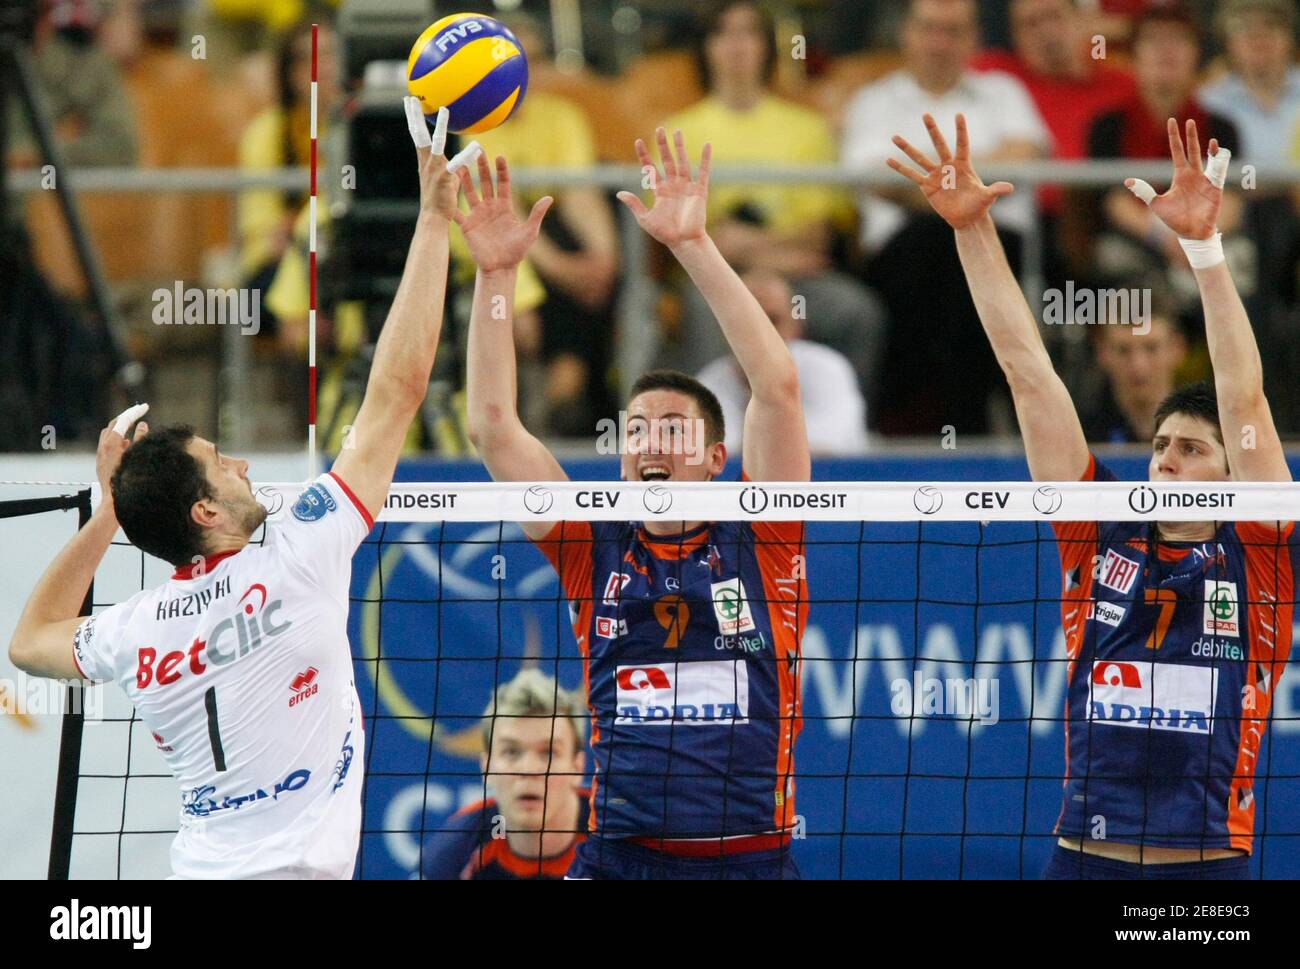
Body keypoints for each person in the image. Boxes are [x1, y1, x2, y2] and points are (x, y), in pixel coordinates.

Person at [6, 105, 461, 879]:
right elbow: (398, 390)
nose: (245, 464)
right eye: (223, 462)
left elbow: (28, 640)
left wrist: (108, 512)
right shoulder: (300, 550)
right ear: (205, 512)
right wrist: (434, 222)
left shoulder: (134, 628)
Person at [888, 112, 1295, 878]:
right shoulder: (1098, 526)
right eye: (1160, 444)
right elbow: (1027, 370)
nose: (1166, 459)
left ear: (1230, 471)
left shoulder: (1264, 547)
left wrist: (1203, 250)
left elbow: (1246, 401)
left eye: (1191, 448)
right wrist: (972, 231)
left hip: (1204, 870)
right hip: (1081, 860)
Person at [460, 130, 810, 879]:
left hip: (748, 857)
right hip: (620, 859)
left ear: (718, 459)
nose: (650, 440)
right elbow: (494, 426)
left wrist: (692, 245)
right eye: (636, 427)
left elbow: (776, 386)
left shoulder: (767, 534)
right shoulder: (592, 543)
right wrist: (496, 277)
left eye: (673, 428)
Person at [842, 0, 1050, 435]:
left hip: (999, 243)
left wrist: (939, 188)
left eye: (953, 31)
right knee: (937, 241)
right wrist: (961, 192)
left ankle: (931, 423)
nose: (940, 42)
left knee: (969, 243)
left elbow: (1028, 155)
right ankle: (966, 423)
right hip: (905, 253)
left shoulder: (1004, 92)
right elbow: (872, 177)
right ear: (907, 34)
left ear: (974, 38)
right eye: (929, 29)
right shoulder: (874, 100)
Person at [661, 0, 883, 399]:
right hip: (713, 276)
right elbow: (683, 237)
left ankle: (844, 439)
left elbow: (815, 236)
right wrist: (757, 253)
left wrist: (742, 247)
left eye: (749, 32)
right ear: (705, 47)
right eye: (723, 32)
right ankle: (712, 438)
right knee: (704, 309)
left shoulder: (808, 128)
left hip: (797, 278)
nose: (737, 45)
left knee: (856, 311)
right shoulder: (677, 133)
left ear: (766, 46)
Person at [420, 669, 589, 880]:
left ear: (577, 767)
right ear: (487, 766)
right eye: (511, 751)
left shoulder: (617, 836)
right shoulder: (457, 849)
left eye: (548, 753)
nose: (528, 769)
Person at [697, 270, 869, 455]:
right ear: (724, 329)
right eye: (745, 321)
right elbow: (714, 457)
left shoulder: (827, 368)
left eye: (772, 320)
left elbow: (829, 446)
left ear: (796, 326)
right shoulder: (709, 383)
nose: (760, 333)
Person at [1080, 311, 1188, 444]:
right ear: (1103, 352)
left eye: (1151, 348)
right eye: (1123, 350)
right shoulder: (1077, 435)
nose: (1138, 365)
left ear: (1177, 348)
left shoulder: (1211, 427)